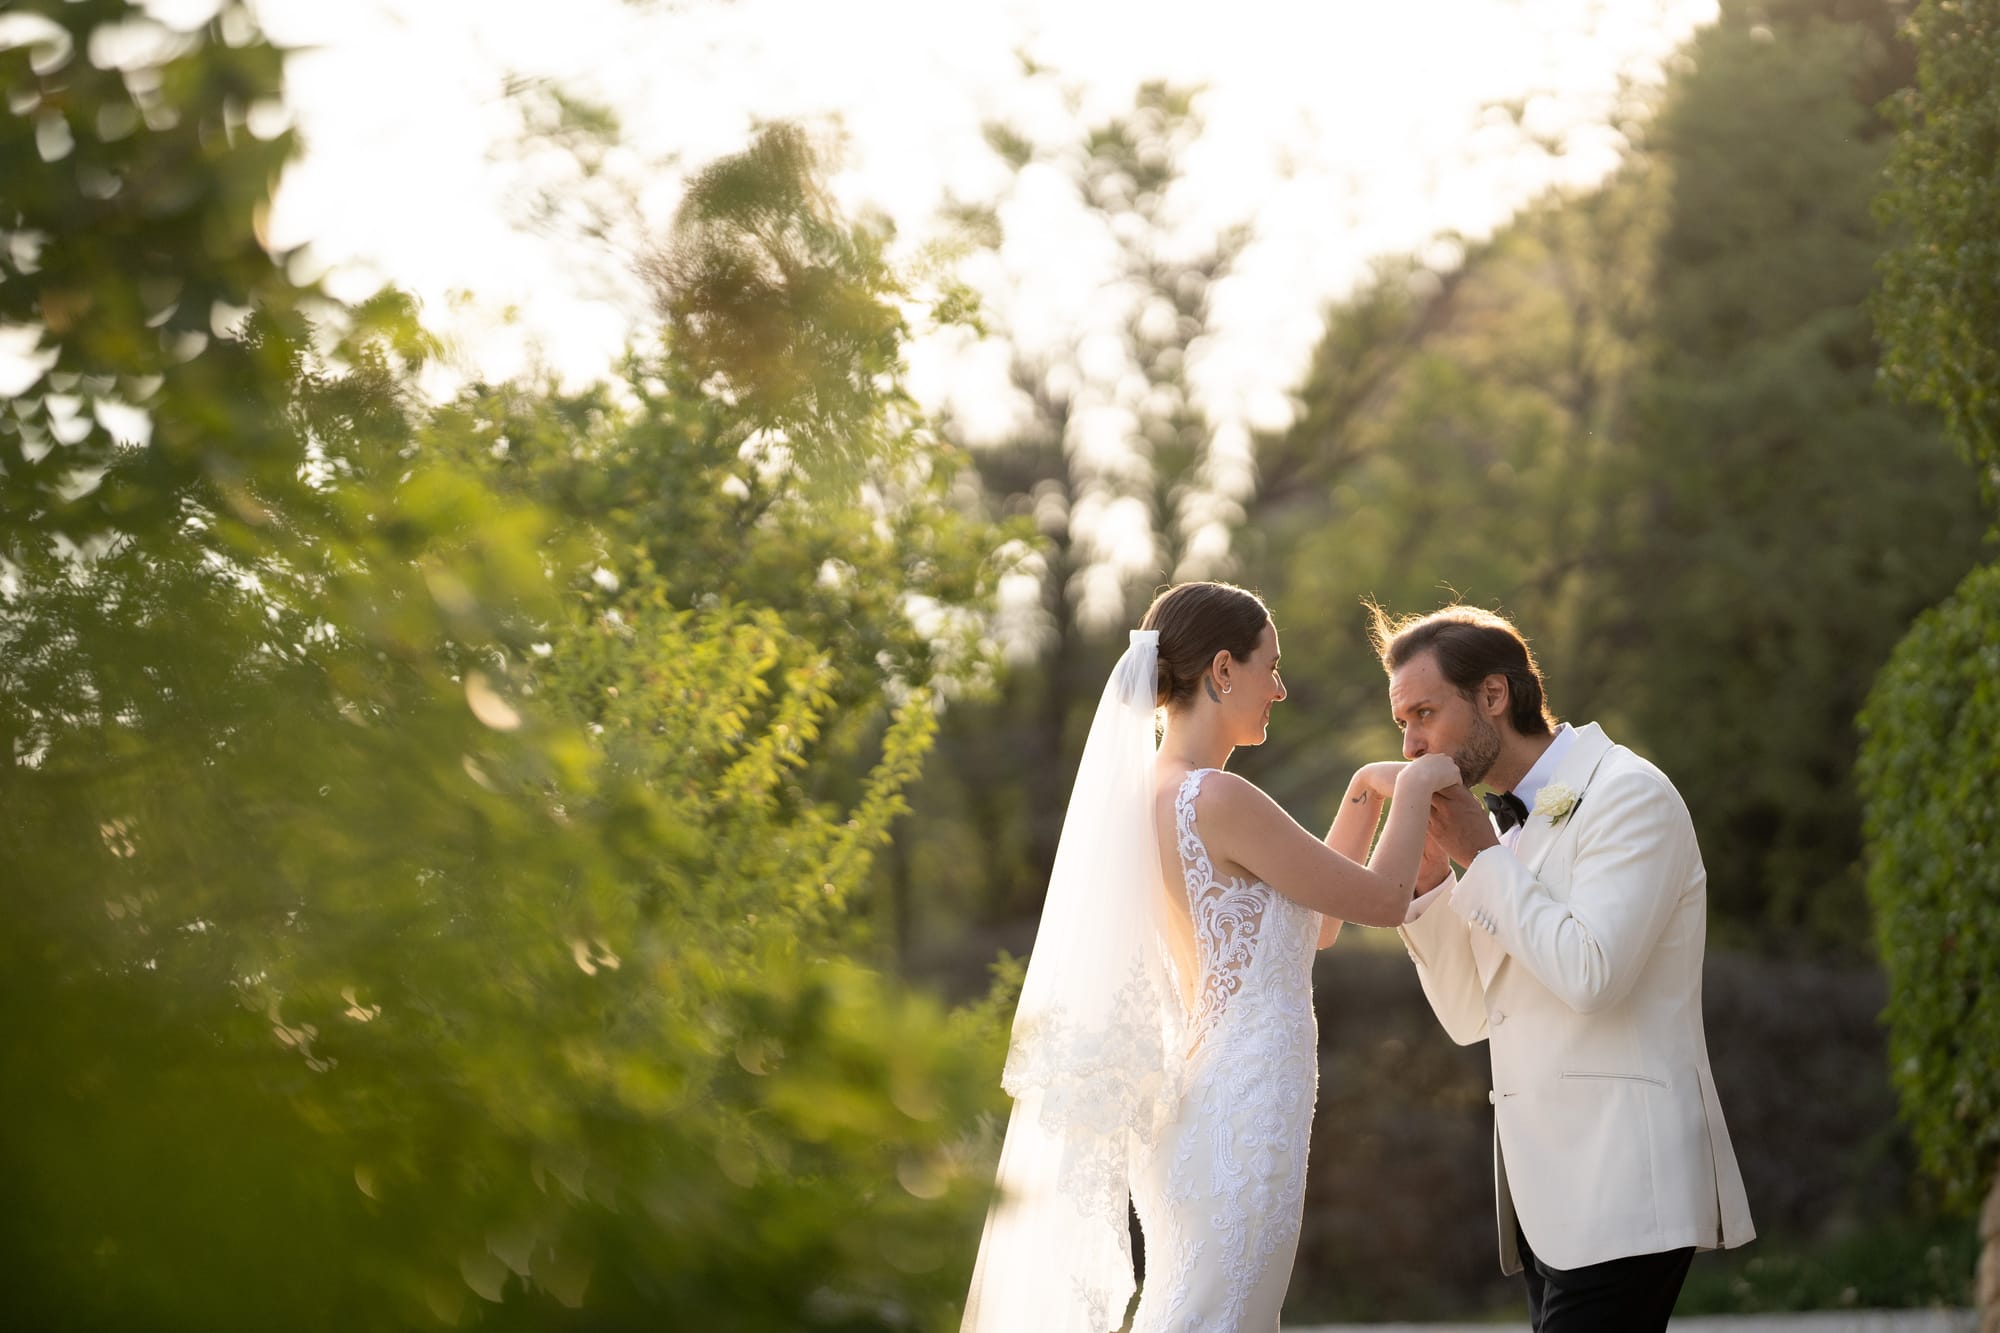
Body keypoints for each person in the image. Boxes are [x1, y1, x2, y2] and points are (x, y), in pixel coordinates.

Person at [961, 581, 1461, 1332]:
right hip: (1243, 1108)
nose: (1281, 689)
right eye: (1272, 666)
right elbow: (1385, 900)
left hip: (1205, 1105)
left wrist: (1366, 790)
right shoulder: (1216, 797)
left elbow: (1316, 924)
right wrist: (1421, 782)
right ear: (1222, 670)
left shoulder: (1153, 797)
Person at [1374, 603, 1755, 1333]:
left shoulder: (1629, 793)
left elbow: (1592, 973)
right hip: (1544, 1200)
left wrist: (1482, 857)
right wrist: (1430, 888)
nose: (1412, 741)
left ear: (1494, 695)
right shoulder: (1499, 830)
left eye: (1424, 712)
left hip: (1626, 1184)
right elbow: (1469, 1016)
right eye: (1402, 723)